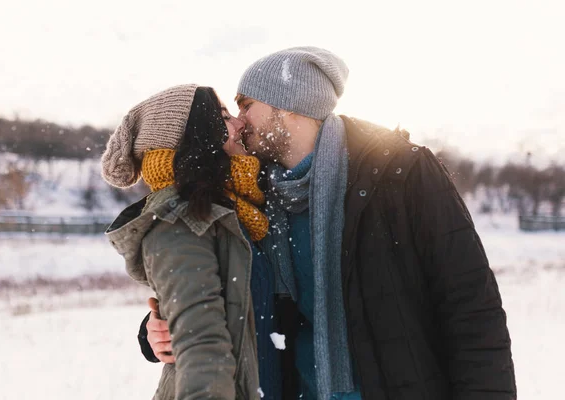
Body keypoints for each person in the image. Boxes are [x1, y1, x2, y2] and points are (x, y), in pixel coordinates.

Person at [142, 47, 517, 400]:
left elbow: (470, 306)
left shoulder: (398, 172)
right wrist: (155, 331)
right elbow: (222, 287)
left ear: (289, 106)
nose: (238, 122)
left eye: (246, 105)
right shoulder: (252, 196)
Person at [101, 84, 282, 399]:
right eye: (225, 117)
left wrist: (158, 326)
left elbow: (234, 301)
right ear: (198, 136)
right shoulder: (181, 221)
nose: (240, 124)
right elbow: (203, 347)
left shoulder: (242, 211)